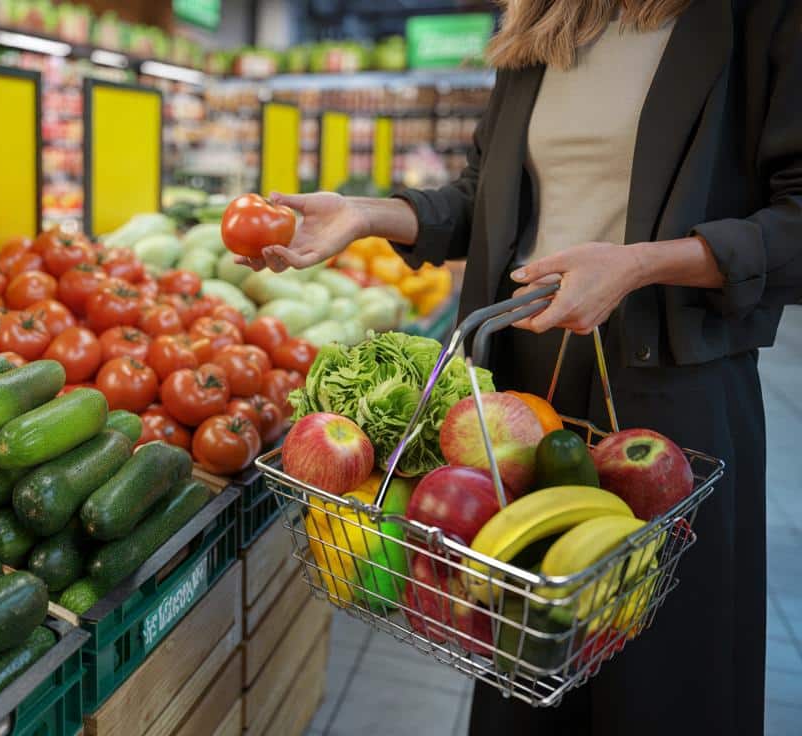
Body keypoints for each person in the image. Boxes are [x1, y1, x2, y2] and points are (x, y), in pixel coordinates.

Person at [239, 1, 802, 734]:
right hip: (522, 384)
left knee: (662, 676)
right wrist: (366, 215)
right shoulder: (546, 24)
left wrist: (637, 265)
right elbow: (484, 201)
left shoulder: (758, 17)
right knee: (516, 652)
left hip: (669, 385)